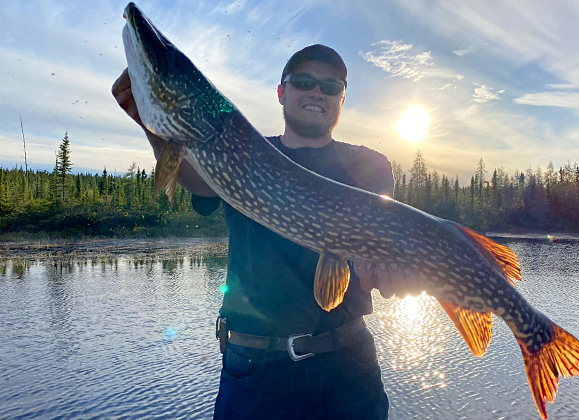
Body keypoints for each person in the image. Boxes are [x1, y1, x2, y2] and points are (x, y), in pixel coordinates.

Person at [113, 44, 408, 420]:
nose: (317, 91)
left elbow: (383, 251)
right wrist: (154, 124)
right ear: (282, 92)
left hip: (347, 372)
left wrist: (390, 272)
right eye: (303, 82)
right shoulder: (240, 151)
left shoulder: (369, 166)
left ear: (342, 100)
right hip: (253, 373)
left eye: (331, 87)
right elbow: (198, 181)